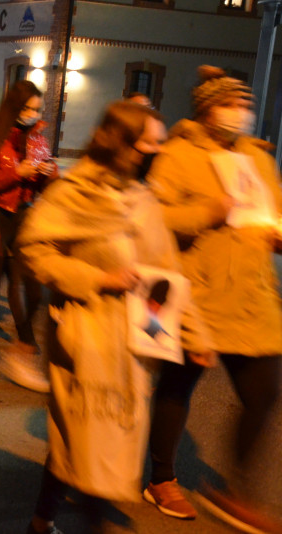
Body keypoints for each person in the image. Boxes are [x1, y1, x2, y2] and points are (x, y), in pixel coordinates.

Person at [19, 101, 198, 534]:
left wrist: (195, 332)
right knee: (89, 443)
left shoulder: (141, 198)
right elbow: (33, 250)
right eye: (145, 143)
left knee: (85, 443)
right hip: (84, 337)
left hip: (133, 343)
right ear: (121, 143)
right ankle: (82, 524)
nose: (153, 151)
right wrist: (98, 278)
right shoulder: (72, 193)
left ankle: (41, 521)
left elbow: (168, 271)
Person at [144, 66, 282, 531]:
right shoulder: (178, 154)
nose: (241, 113)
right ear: (207, 109)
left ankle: (238, 493)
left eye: (244, 105)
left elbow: (274, 208)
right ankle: (161, 478)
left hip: (252, 295)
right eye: (231, 104)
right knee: (177, 389)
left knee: (264, 394)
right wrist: (209, 210)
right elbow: (154, 219)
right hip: (196, 294)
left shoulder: (258, 157)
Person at [0, 79, 57, 389]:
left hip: (27, 218)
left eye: (36, 109)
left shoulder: (39, 141)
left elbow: (47, 179)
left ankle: (24, 348)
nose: (33, 114)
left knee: (33, 290)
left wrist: (48, 173)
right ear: (14, 108)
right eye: (27, 108)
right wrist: (14, 174)